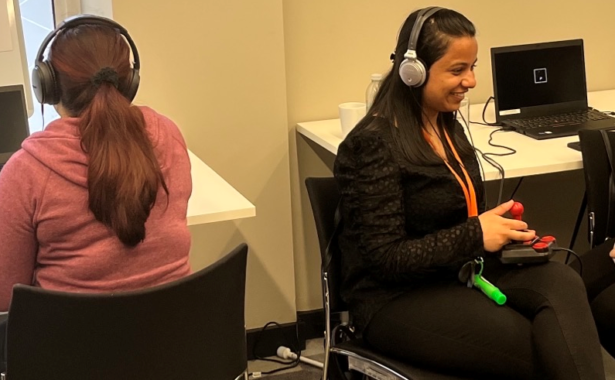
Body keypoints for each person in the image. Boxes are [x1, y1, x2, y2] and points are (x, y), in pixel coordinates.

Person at [333, 7, 605, 379]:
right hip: (394, 300)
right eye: (457, 70)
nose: (472, 81)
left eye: (472, 67)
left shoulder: (447, 125)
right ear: (413, 72)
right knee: (545, 344)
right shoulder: (372, 145)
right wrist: (476, 233)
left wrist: (499, 230)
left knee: (562, 281)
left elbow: (455, 216)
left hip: (458, 271)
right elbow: (385, 259)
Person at [0, 15, 192, 363]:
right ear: (130, 80)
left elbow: (5, 301)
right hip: (175, 353)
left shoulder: (25, 172)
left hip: (71, 362)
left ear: (47, 86)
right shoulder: (168, 135)